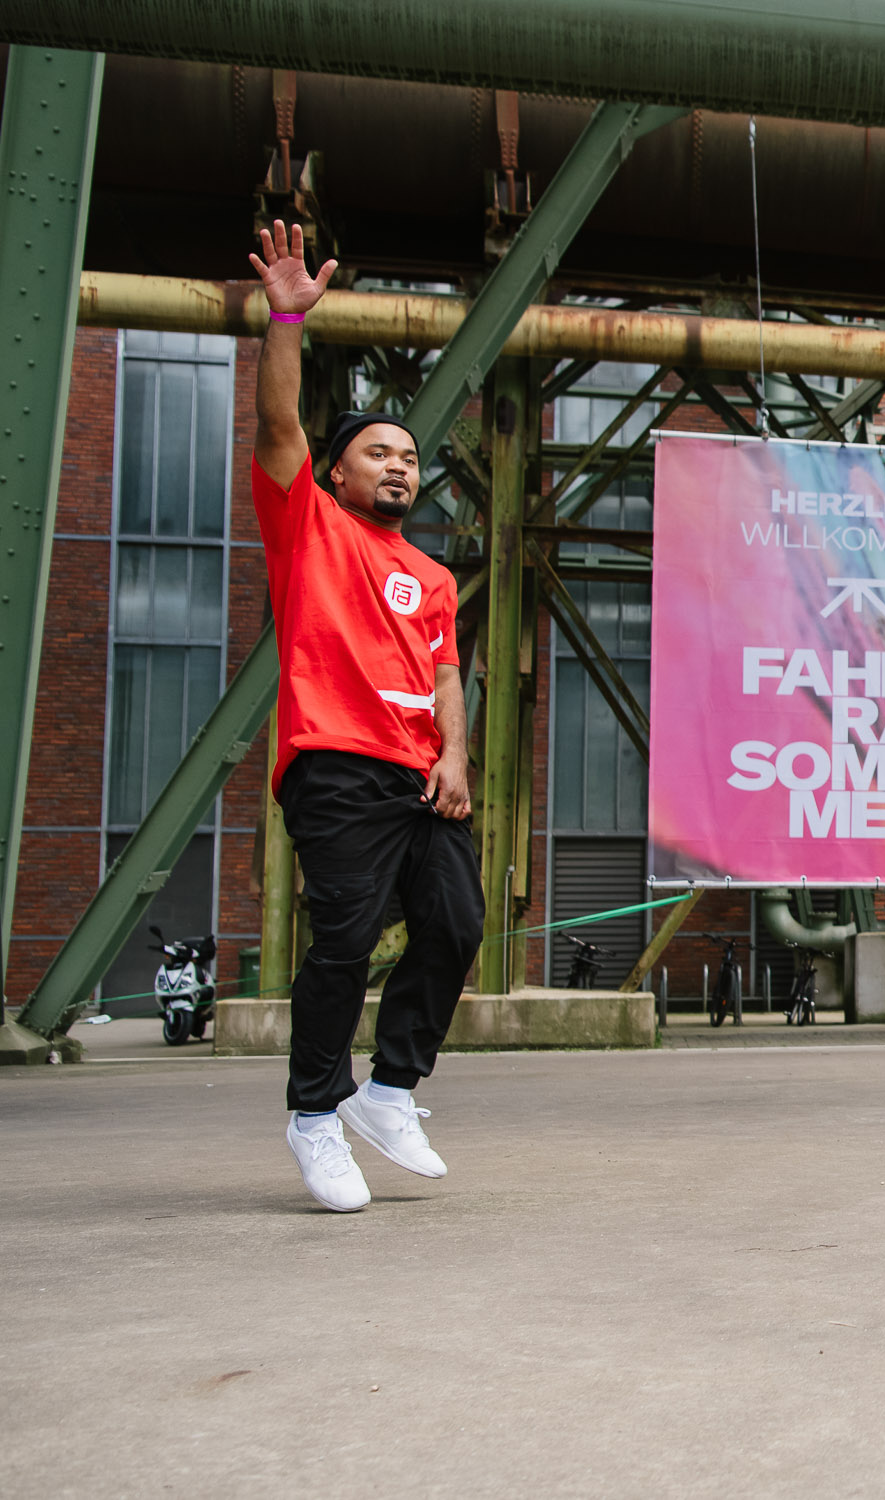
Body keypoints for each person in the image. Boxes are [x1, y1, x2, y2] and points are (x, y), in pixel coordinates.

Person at [249, 220, 484, 1213]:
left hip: (416, 772)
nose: (399, 465)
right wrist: (289, 317)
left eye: (409, 456)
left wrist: (456, 758)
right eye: (377, 452)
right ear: (338, 472)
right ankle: (314, 1114)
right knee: (345, 941)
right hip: (336, 764)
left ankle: (389, 1091)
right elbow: (276, 430)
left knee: (456, 925)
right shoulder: (309, 528)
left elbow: (443, 678)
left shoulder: (431, 575)